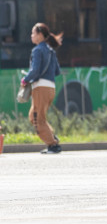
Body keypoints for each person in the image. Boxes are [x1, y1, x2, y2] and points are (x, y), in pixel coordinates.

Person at [22, 23, 63, 154]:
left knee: (37, 119)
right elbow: (57, 71)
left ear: (40, 35)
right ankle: (52, 138)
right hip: (51, 88)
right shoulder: (51, 50)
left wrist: (25, 79)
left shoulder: (38, 50)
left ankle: (53, 145)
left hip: (40, 88)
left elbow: (35, 71)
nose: (31, 36)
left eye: (33, 33)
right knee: (33, 116)